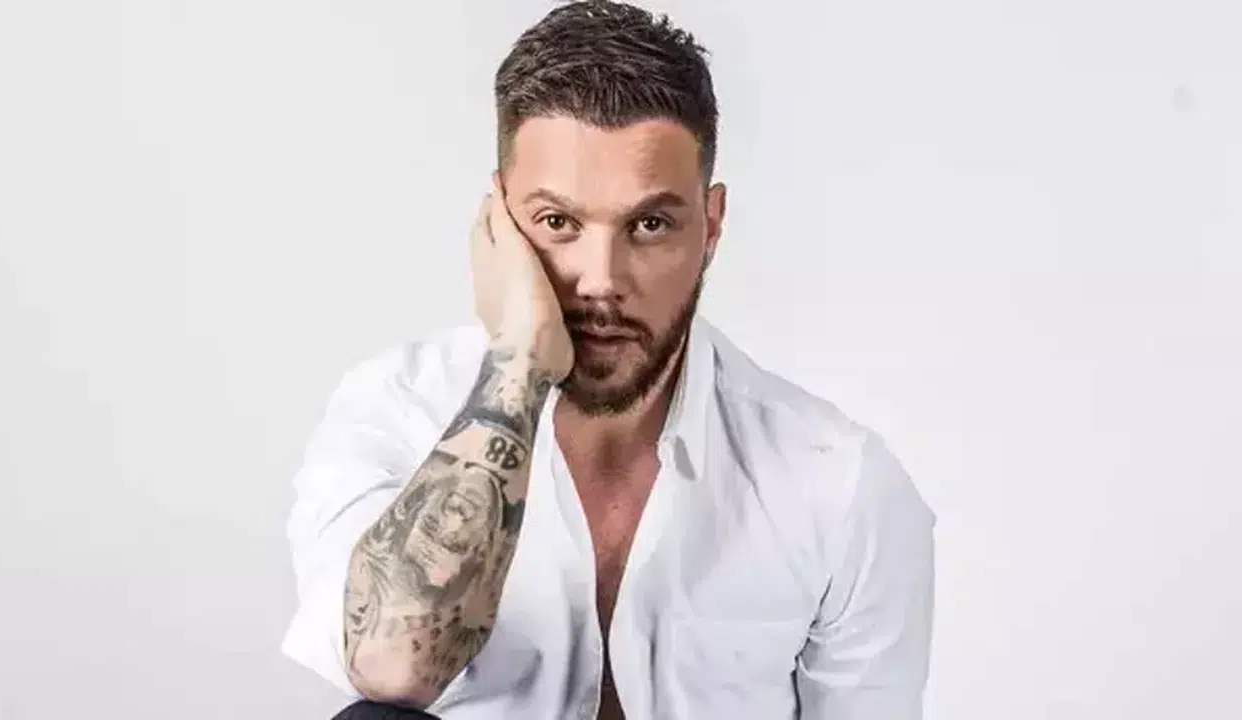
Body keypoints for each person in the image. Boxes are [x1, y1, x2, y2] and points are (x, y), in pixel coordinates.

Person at [281, 2, 936, 718]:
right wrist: (518, 365)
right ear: (498, 220)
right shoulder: (397, 411)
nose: (601, 280)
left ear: (711, 225)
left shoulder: (838, 482)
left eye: (649, 224)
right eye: (558, 223)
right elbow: (391, 668)